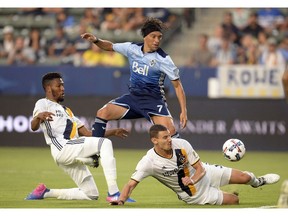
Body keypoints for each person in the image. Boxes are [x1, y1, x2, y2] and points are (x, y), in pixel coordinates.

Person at [25, 72, 135, 202]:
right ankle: (114, 193)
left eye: (63, 85)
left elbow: (88, 134)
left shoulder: (67, 111)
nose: (62, 88)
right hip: (62, 148)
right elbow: (33, 126)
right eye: (59, 86)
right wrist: (38, 117)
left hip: (70, 150)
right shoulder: (43, 103)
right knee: (105, 144)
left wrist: (113, 131)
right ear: (49, 88)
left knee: (91, 195)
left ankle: (46, 192)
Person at [110, 124, 280, 205]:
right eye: (164, 137)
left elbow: (200, 168)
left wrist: (193, 179)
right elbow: (131, 185)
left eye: (169, 136)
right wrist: (121, 201)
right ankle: (221, 193)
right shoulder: (148, 162)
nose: (169, 139)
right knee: (235, 200)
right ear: (154, 140)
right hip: (194, 195)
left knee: (245, 177)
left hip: (204, 174)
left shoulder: (182, 144)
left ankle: (259, 182)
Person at [81, 17, 187, 139]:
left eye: (159, 37)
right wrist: (96, 40)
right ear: (145, 36)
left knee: (170, 132)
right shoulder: (132, 48)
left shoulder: (163, 59)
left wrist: (183, 111)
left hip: (153, 100)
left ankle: (184, 157)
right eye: (153, 36)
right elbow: (110, 46)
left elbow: (178, 85)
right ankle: (95, 153)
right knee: (102, 113)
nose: (157, 40)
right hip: (134, 98)